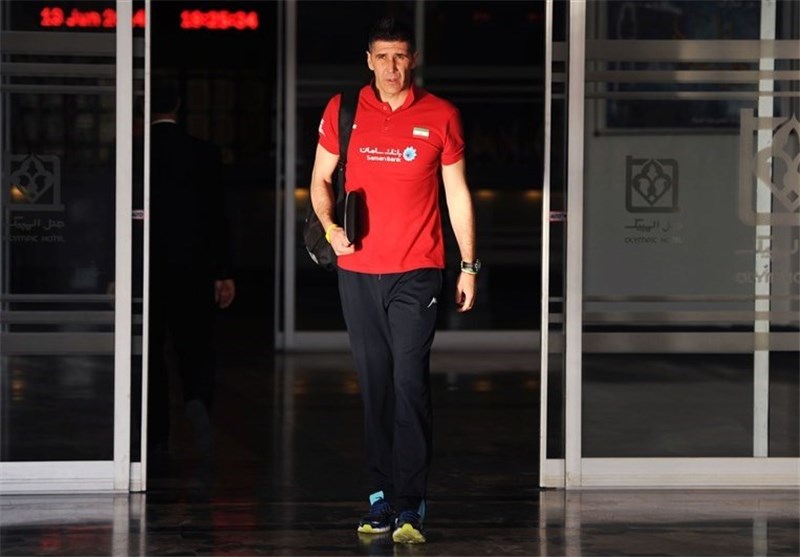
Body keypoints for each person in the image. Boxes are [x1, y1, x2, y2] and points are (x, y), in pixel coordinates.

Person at [309, 17, 479, 544]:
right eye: (382, 56)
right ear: (369, 60)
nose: (391, 66)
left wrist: (468, 264)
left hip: (418, 271)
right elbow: (319, 179)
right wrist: (332, 228)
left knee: (410, 383)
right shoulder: (344, 110)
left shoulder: (441, 115)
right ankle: (379, 498)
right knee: (376, 386)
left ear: (413, 60)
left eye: (400, 56)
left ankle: (411, 505)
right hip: (358, 271)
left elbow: (456, 192)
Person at [147, 78, 236, 466]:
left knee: (151, 352)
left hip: (148, 268)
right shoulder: (204, 153)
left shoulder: (136, 151)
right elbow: (218, 217)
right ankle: (197, 397)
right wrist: (223, 272)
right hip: (195, 268)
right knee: (195, 345)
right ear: (179, 104)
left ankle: (156, 436)